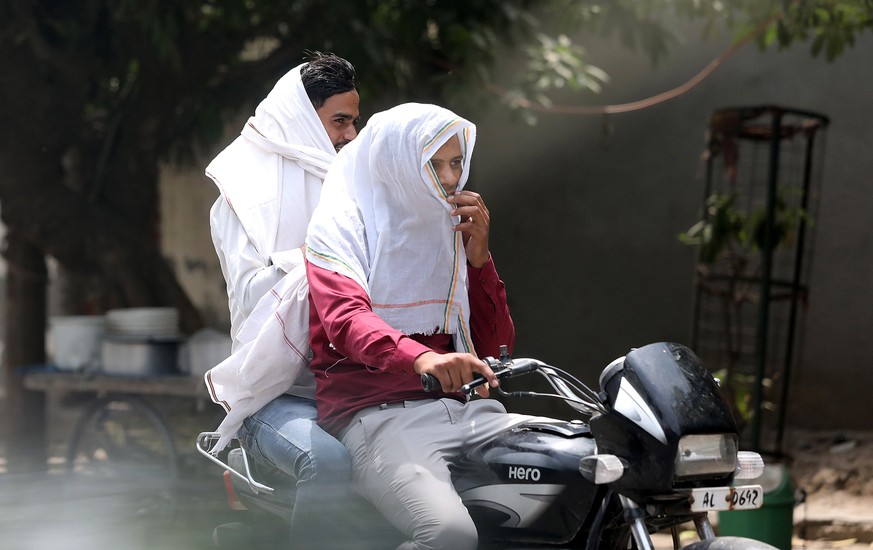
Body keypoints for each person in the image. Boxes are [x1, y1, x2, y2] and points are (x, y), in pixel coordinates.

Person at [305, 103, 550, 550]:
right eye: (433, 164)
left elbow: (495, 347)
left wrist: (480, 260)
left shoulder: (449, 227)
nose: (452, 179)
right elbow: (346, 321)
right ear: (398, 165)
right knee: (449, 536)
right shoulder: (339, 227)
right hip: (375, 417)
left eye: (456, 162)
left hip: (469, 411)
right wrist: (424, 358)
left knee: (582, 472)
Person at [204, 52, 363, 547]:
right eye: (340, 121)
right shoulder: (241, 195)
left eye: (355, 122)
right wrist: (312, 258)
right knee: (329, 462)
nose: (351, 135)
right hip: (275, 395)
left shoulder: (350, 186)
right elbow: (252, 297)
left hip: (356, 382)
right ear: (303, 118)